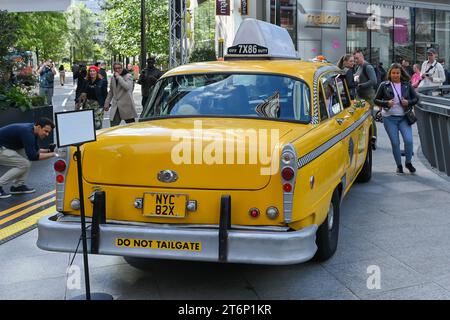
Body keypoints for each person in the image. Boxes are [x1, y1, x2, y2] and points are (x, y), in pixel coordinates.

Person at [374, 63, 419, 174]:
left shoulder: (407, 85)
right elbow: (375, 100)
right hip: (389, 119)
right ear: (390, 73)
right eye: (393, 73)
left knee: (408, 141)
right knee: (395, 143)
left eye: (397, 73)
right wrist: (386, 103)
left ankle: (408, 162)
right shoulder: (384, 85)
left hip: (404, 117)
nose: (395, 75)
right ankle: (399, 165)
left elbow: (416, 98)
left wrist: (408, 102)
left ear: (401, 73)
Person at [0, 118, 57, 198]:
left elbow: (35, 151)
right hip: (2, 147)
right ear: (39, 127)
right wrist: (54, 154)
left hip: (6, 146)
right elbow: (33, 156)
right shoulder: (28, 133)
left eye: (48, 132)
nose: (47, 134)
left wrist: (49, 151)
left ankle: (17, 186)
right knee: (24, 164)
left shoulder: (33, 131)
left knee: (26, 159)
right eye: (46, 131)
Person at [104, 62, 138, 127]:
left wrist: (119, 77)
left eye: (119, 68)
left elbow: (127, 87)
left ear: (122, 68)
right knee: (113, 126)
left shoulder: (128, 76)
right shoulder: (113, 78)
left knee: (131, 127)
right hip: (116, 106)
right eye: (115, 68)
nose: (117, 70)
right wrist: (107, 103)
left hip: (126, 105)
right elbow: (111, 92)